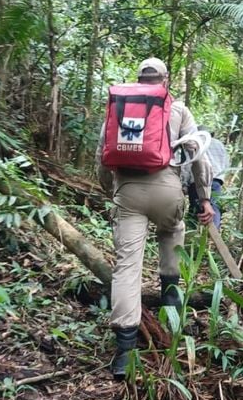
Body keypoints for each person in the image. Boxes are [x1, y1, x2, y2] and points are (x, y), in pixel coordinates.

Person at [97, 57, 213, 379]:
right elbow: (198, 156)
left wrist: (113, 191)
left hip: (128, 191)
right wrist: (204, 198)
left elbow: (102, 155)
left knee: (127, 267)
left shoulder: (120, 104)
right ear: (165, 80)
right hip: (168, 190)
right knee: (172, 231)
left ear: (138, 78)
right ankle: (171, 319)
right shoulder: (177, 109)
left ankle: (124, 353)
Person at [181, 134, 228, 228]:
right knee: (214, 207)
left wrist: (184, 184)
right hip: (216, 180)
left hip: (197, 181)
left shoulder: (192, 143)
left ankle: (195, 234)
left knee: (196, 208)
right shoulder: (219, 144)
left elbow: (186, 165)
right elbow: (225, 163)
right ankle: (212, 237)